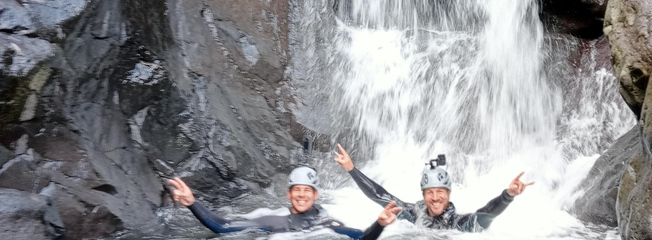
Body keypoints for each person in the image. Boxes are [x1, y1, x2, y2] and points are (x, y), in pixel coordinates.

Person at [334, 144, 534, 232]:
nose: (435, 197)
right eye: (430, 192)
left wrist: (508, 195)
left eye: (440, 192)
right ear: (423, 195)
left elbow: (487, 214)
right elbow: (380, 196)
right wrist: (352, 169)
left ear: (449, 194)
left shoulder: (460, 223)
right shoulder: (412, 213)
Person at [168, 165, 401, 239]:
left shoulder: (329, 224)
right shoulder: (272, 222)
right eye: (296, 190)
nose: (301, 195)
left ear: (316, 195)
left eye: (307, 191)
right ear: (288, 195)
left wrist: (379, 224)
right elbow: (223, 227)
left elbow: (361, 238)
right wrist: (191, 202)